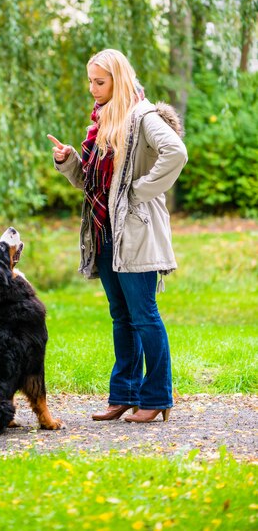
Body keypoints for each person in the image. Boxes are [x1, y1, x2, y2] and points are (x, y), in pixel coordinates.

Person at [48, 48, 187, 423]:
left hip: (136, 230)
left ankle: (157, 397)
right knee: (121, 316)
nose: (93, 88)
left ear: (118, 79)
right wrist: (68, 162)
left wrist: (139, 190)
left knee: (144, 315)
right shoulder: (102, 120)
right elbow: (92, 183)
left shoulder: (142, 116)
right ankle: (125, 394)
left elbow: (175, 152)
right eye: (90, 81)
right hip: (105, 231)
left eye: (100, 81)